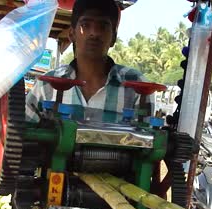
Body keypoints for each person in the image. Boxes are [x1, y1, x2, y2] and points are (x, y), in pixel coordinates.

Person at [25, 0, 154, 122]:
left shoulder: (137, 86)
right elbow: (20, 136)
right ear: (72, 34)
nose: (94, 33)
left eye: (103, 26)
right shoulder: (46, 86)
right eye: (85, 25)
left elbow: (148, 138)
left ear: (113, 38)